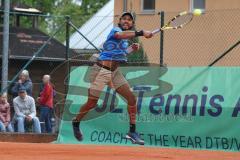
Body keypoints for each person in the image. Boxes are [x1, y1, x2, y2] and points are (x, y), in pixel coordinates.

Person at [72, 12, 153, 145]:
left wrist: (131, 49)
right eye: (124, 19)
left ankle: (132, 132)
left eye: (129, 20)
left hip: (115, 72)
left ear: (132, 24)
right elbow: (119, 35)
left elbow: (119, 54)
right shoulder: (116, 31)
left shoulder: (125, 40)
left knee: (132, 98)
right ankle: (76, 122)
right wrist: (142, 32)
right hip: (101, 71)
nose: (126, 21)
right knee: (92, 103)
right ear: (120, 21)